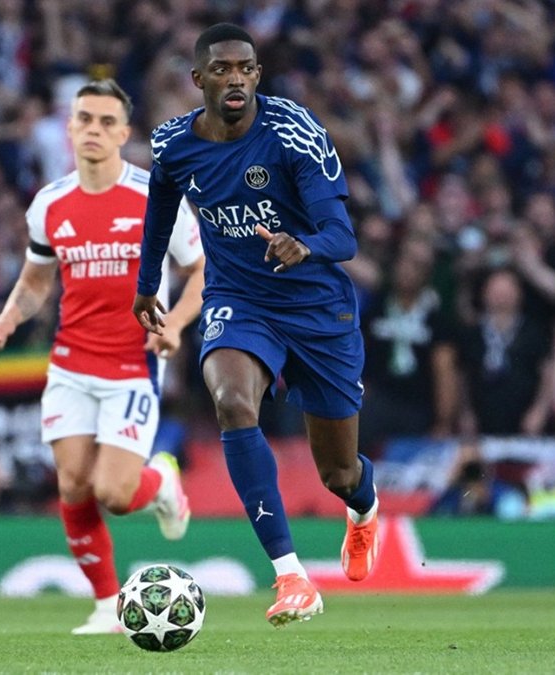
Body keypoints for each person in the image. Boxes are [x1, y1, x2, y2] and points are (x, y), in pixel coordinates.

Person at [133, 23, 379, 628]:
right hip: (238, 299)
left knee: (338, 473)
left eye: (245, 68)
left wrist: (304, 245)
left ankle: (363, 508)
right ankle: (291, 576)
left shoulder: (294, 131)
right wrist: (147, 284)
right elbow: (160, 207)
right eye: (222, 69)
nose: (236, 78)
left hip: (317, 309)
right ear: (199, 79)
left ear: (258, 75)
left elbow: (343, 236)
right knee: (232, 402)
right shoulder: (173, 144)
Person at [0, 78, 205, 635]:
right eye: (84, 119)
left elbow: (204, 270)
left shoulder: (156, 198)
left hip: (132, 365)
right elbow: (36, 280)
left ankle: (162, 482)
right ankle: (107, 605)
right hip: (70, 364)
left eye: (107, 122)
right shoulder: (49, 204)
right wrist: (9, 317)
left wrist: (176, 325)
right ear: (69, 127)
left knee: (115, 493)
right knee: (73, 485)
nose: (94, 130)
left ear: (124, 134)